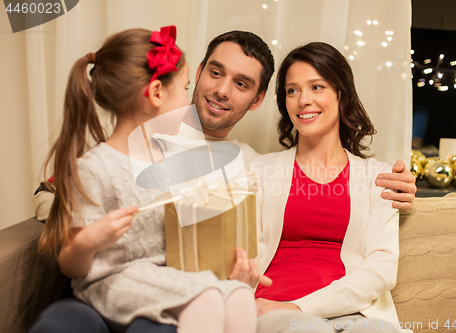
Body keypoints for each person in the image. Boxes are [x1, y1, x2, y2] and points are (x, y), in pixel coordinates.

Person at [31, 30, 416, 333]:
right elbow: (58, 194)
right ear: (196, 74)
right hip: (117, 286)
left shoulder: (245, 163)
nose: (221, 90)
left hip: (189, 299)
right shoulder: (138, 137)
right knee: (63, 324)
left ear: (258, 99)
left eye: (242, 83)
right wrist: (78, 222)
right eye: (216, 73)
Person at [30, 26, 258, 333]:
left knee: (240, 295)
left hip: (158, 277)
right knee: (205, 296)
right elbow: (71, 265)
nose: (188, 100)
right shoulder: (94, 167)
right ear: (155, 94)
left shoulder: (173, 159)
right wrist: (88, 241)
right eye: (184, 89)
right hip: (109, 281)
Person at [249, 42, 402, 332]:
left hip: (355, 313)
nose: (303, 100)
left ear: (340, 94)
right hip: (275, 309)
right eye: (292, 90)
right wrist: (291, 310)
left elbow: (381, 270)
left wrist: (303, 306)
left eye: (317, 87)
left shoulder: (379, 177)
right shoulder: (260, 170)